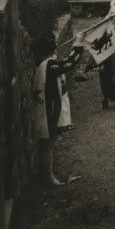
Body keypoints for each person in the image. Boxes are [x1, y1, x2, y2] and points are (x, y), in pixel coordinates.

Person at [32, 33, 85, 186]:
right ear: (49, 51)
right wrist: (78, 44)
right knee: (48, 145)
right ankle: (48, 178)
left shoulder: (44, 64)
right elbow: (69, 64)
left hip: (48, 109)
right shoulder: (49, 65)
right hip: (51, 111)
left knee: (48, 144)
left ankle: (46, 174)